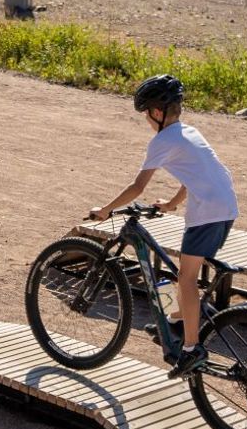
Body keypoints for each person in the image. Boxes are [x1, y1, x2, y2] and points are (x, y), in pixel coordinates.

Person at [87, 74, 238, 370]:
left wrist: (105, 210)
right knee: (183, 277)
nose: (146, 118)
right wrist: (171, 204)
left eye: (146, 113)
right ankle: (174, 322)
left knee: (186, 280)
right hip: (226, 208)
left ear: (156, 112)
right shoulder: (189, 132)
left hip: (207, 212)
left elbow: (137, 187)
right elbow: (196, 175)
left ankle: (193, 349)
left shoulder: (162, 141)